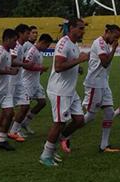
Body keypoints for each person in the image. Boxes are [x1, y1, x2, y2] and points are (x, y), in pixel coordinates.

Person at [38, 18, 89, 167]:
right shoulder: (63, 43)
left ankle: (55, 144)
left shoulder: (74, 44)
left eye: (83, 28)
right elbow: (59, 66)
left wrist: (77, 67)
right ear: (71, 28)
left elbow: (69, 63)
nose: (82, 31)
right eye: (80, 28)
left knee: (79, 120)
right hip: (59, 90)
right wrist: (79, 61)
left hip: (70, 91)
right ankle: (45, 154)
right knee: (59, 123)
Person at [73, 24, 120, 153]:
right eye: (115, 37)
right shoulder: (99, 43)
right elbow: (105, 63)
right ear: (108, 32)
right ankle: (65, 135)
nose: (116, 40)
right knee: (90, 116)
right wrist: (114, 49)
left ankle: (104, 145)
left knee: (110, 113)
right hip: (94, 83)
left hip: (103, 83)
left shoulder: (104, 44)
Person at [10, 33, 53, 137]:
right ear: (42, 42)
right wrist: (40, 68)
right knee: (24, 107)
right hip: (27, 83)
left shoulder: (39, 52)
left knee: (42, 103)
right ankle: (15, 130)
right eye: (47, 46)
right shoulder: (32, 51)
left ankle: (25, 123)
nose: (47, 48)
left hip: (36, 82)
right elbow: (26, 65)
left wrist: (39, 70)